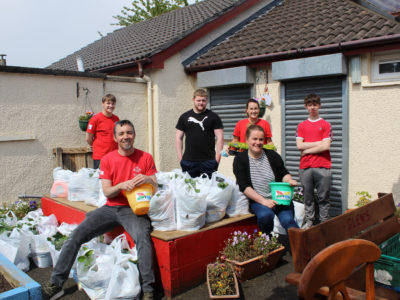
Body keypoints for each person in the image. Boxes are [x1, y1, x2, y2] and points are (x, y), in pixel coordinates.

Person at [44, 120, 157, 300]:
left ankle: (149, 289)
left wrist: (148, 179)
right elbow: (107, 192)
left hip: (134, 209)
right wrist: (122, 185)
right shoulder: (108, 159)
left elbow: (155, 187)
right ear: (114, 137)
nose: (125, 136)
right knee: (76, 235)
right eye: (121, 134)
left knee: (143, 238)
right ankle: (56, 283)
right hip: (111, 208)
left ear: (134, 135)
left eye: (128, 132)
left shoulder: (145, 157)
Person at [233, 125, 298, 234]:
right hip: (258, 201)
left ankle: (303, 246)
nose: (258, 142)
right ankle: (268, 240)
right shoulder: (240, 159)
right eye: (254, 139)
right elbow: (243, 186)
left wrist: (289, 180)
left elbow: (283, 173)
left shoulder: (272, 155)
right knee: (265, 215)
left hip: (280, 198)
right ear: (247, 139)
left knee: (288, 221)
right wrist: (264, 201)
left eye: (261, 139)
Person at [296, 93, 332, 229]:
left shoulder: (326, 124)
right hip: (305, 167)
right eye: (310, 105)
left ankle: (324, 223)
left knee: (324, 197)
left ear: (319, 105)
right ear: (306, 107)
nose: (312, 107)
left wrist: (307, 150)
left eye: (315, 104)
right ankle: (310, 221)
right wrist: (319, 144)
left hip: (323, 166)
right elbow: (299, 145)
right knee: (308, 197)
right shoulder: (302, 126)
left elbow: (326, 146)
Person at [175, 88, 224, 178]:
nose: (201, 103)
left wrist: (217, 159)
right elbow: (178, 138)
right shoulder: (184, 117)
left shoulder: (214, 117)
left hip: (209, 161)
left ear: (206, 100)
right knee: (189, 189)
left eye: (203, 100)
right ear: (193, 100)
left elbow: (220, 138)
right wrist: (180, 159)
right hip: (188, 161)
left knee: (208, 190)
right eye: (198, 100)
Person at [86, 94, 120, 169]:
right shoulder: (95, 119)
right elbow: (88, 138)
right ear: (103, 104)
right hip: (100, 157)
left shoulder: (116, 119)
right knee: (100, 179)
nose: (111, 106)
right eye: (108, 103)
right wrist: (98, 146)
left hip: (114, 156)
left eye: (113, 103)